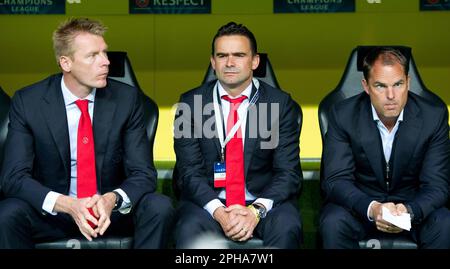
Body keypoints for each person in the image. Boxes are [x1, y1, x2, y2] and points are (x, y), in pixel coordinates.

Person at [0, 17, 174, 249]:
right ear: (66, 63)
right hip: (55, 213)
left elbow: (143, 174)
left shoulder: (127, 100)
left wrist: (111, 199)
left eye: (104, 53)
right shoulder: (28, 102)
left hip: (110, 213)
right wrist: (68, 205)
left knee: (159, 206)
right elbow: (13, 177)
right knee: (7, 213)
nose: (106, 62)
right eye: (93, 55)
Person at [173, 22, 303, 249]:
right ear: (213, 62)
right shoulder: (190, 104)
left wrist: (255, 211)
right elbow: (188, 172)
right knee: (187, 228)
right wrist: (220, 213)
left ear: (255, 61)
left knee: (287, 226)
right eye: (222, 56)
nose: (230, 63)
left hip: (262, 200)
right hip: (209, 201)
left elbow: (288, 172)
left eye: (239, 55)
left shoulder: (280, 105)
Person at [320, 47, 450, 249]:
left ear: (408, 82)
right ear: (366, 86)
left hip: (412, 206)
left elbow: (437, 185)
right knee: (333, 221)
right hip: (362, 208)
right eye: (380, 86)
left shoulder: (433, 116)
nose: (391, 95)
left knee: (444, 222)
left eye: (398, 84)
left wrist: (410, 211)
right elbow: (336, 181)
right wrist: (373, 209)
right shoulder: (342, 115)